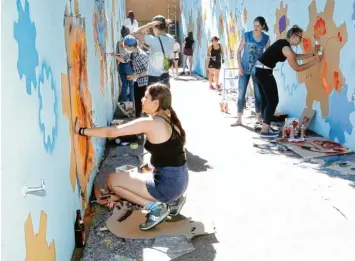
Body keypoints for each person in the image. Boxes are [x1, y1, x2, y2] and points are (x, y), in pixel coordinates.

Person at [75, 84, 188, 231]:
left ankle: (156, 208)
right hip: (180, 182)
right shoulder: (169, 119)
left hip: (168, 186)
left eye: (146, 97)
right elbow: (169, 154)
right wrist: (144, 169)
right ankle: (172, 202)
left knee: (113, 181)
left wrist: (82, 131)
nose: (142, 99)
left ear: (156, 103)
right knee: (130, 175)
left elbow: (113, 132)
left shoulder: (150, 123)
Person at [253, 25, 322, 138]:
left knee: (267, 100)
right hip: (264, 72)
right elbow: (297, 68)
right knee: (273, 100)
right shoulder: (287, 49)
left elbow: (296, 56)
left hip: (260, 71)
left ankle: (265, 127)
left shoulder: (284, 44)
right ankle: (265, 131)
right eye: (300, 38)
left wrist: (312, 54)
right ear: (294, 36)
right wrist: (313, 62)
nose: (300, 41)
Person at [231, 16, 270, 127]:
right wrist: (239, 67)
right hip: (244, 69)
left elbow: (268, 56)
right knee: (241, 93)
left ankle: (258, 119)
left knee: (258, 95)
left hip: (258, 71)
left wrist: (266, 69)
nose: (255, 28)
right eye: (254, 25)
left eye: (258, 26)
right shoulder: (247, 35)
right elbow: (238, 52)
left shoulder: (266, 38)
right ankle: (239, 119)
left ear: (262, 26)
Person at [134, 15, 174, 87]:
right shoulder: (171, 38)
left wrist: (149, 25)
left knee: (152, 98)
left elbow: (136, 34)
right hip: (166, 76)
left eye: (153, 27)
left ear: (155, 26)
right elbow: (159, 50)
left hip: (154, 78)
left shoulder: (153, 40)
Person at [115, 35, 149, 118]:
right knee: (137, 102)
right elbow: (124, 60)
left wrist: (136, 76)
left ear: (133, 46)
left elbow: (148, 70)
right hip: (137, 81)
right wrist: (114, 55)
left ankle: (143, 120)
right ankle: (138, 119)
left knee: (143, 103)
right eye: (125, 46)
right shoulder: (130, 53)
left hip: (143, 83)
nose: (125, 48)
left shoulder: (142, 55)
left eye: (127, 47)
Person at [115, 26, 134, 102]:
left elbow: (117, 54)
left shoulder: (118, 43)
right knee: (131, 84)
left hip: (121, 66)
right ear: (128, 33)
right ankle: (132, 101)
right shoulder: (130, 42)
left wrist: (117, 66)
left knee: (124, 85)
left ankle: (123, 101)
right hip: (128, 65)